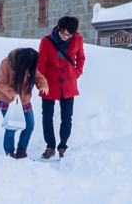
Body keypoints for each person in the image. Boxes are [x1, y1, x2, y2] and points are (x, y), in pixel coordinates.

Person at [38, 15, 85, 161]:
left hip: (68, 83)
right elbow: (41, 64)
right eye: (63, 33)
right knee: (47, 116)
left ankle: (63, 145)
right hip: (50, 82)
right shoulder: (46, 41)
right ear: (58, 28)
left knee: (67, 117)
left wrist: (76, 73)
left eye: (69, 34)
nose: (65, 37)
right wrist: (41, 82)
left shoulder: (77, 39)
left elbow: (81, 58)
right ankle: (50, 145)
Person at [0, 47, 49, 158]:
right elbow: (1, 83)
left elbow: (39, 78)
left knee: (30, 125)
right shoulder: (6, 63)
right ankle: (9, 151)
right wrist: (12, 94)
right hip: (7, 99)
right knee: (12, 126)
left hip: (24, 100)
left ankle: (22, 149)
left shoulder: (30, 63)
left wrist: (43, 86)